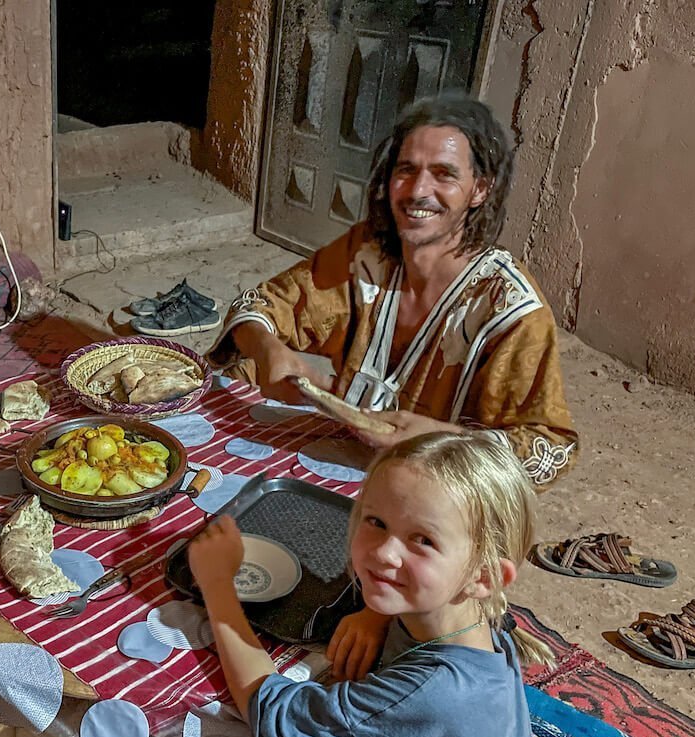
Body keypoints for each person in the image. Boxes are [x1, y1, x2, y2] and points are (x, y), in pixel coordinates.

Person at [188, 433, 622, 737]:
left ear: (482, 575)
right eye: (375, 521)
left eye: (422, 540)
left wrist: (217, 586)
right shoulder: (482, 618)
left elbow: (270, 709)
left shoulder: (423, 696)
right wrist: (376, 612)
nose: (383, 553)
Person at [209, 95, 578, 490]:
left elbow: (547, 451)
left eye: (444, 174)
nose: (418, 190)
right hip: (348, 465)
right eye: (406, 170)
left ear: (479, 190)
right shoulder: (369, 253)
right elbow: (262, 305)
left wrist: (440, 438)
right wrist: (268, 349)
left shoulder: (511, 310)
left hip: (440, 499)